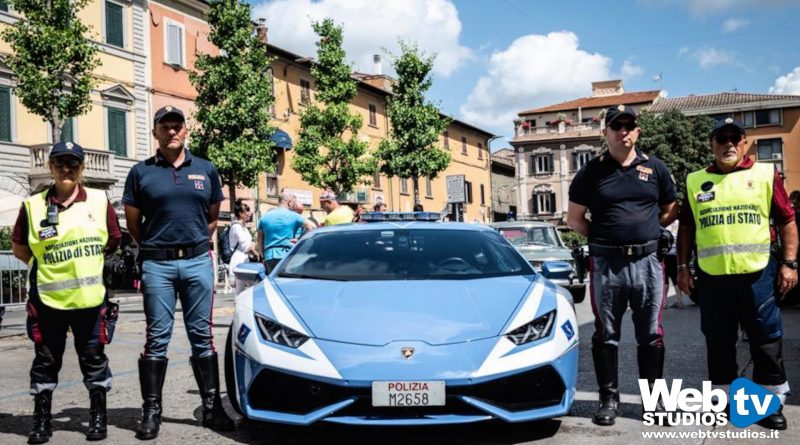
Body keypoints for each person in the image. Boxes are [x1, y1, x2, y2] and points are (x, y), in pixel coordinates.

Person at [677, 118, 795, 430]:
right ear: (711, 145)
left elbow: (786, 220)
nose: (728, 144)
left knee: (766, 339)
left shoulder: (765, 174)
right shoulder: (694, 180)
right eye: (721, 139)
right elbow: (686, 228)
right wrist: (683, 268)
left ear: (744, 143)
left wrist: (789, 263)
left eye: (734, 138)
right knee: (718, 341)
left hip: (757, 274)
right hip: (713, 278)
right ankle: (725, 401)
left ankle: (769, 404)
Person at [122, 105, 233, 440]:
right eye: (165, 126)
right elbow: (132, 223)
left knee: (203, 336)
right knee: (157, 338)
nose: (172, 131)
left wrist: (191, 244)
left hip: (198, 261)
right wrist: (158, 248)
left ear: (186, 130)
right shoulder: (141, 172)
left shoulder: (206, 169)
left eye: (177, 126)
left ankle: (212, 408)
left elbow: (211, 219)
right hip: (158, 264)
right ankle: (151, 410)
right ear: (155, 132)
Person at [567, 105, 677, 426]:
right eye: (617, 126)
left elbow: (671, 207)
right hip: (607, 264)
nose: (623, 131)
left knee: (651, 334)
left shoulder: (655, 168)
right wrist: (604, 238)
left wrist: (650, 230)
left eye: (629, 126)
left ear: (637, 131)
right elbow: (574, 220)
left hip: (648, 263)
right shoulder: (591, 172)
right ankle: (609, 399)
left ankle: (654, 404)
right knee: (605, 333)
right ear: (606, 132)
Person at [11, 141, 121, 443]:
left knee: (93, 359)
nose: (66, 169)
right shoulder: (33, 206)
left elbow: (113, 240)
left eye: (73, 163)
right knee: (45, 361)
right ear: (50, 167)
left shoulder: (99, 201)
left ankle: (98, 418)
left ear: (82, 168)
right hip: (47, 302)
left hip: (90, 301)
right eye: (59, 163)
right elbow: (20, 247)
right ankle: (42, 420)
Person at [257, 192, 316, 273]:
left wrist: (262, 257)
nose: (293, 205)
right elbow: (312, 227)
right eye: (293, 203)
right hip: (287, 255)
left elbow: (260, 239)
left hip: (269, 256)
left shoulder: (264, 217)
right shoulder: (293, 216)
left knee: (273, 283)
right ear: (289, 202)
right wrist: (300, 239)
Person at [228, 199, 258, 295]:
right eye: (247, 211)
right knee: (240, 289)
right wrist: (257, 251)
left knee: (253, 287)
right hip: (240, 259)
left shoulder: (243, 227)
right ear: (241, 213)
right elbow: (246, 246)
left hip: (245, 259)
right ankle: (240, 308)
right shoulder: (237, 227)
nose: (250, 213)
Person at [664, 220, 684, 308]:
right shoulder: (678, 223)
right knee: (675, 278)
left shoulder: (665, 223)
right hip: (676, 254)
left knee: (665, 279)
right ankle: (679, 301)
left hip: (666, 254)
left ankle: (663, 302)